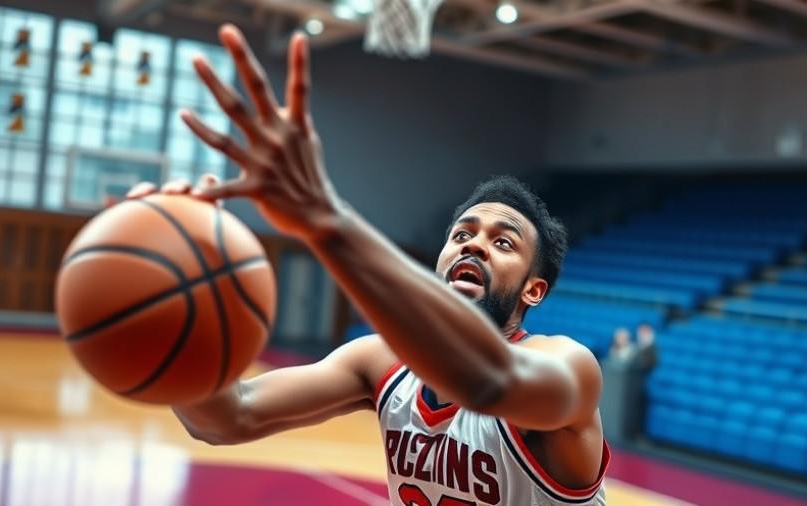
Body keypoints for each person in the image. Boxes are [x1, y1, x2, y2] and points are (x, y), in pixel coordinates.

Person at [129, 24, 609, 505]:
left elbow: (486, 381)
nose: (474, 246)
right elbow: (226, 416)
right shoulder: (380, 361)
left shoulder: (568, 367)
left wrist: (323, 217)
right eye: (461, 234)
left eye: (503, 243)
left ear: (534, 290)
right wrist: (169, 310)